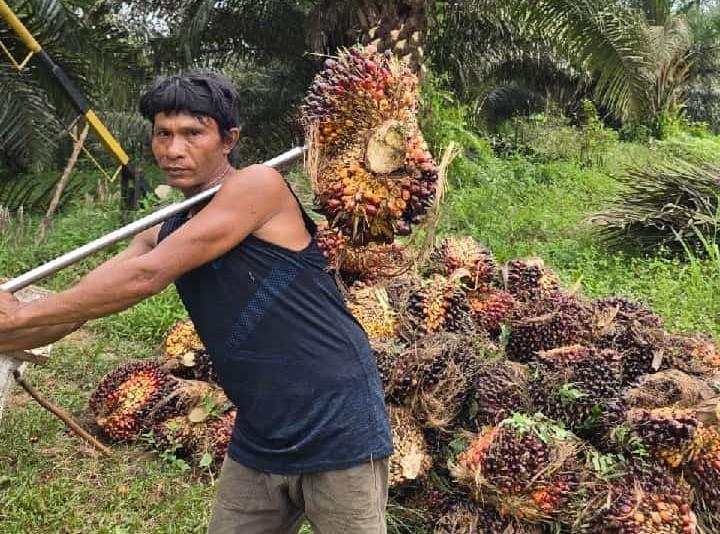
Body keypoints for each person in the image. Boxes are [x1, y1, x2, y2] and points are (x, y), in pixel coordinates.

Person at [0, 70, 393, 534]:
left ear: (228, 140)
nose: (173, 149)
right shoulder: (163, 225)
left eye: (192, 133)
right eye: (163, 134)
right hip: (261, 429)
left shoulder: (258, 186)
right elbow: (81, 305)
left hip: (335, 418)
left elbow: (149, 275)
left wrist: (22, 310)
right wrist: (13, 328)